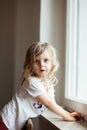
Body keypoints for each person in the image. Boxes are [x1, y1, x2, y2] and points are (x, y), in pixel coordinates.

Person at [0, 42, 81, 130]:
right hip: (6, 121)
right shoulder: (31, 81)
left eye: (46, 60)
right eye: (36, 61)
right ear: (30, 64)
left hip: (16, 124)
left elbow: (52, 103)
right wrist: (67, 117)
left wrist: (68, 114)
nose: (41, 64)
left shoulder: (48, 83)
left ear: (52, 62)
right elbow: (48, 103)